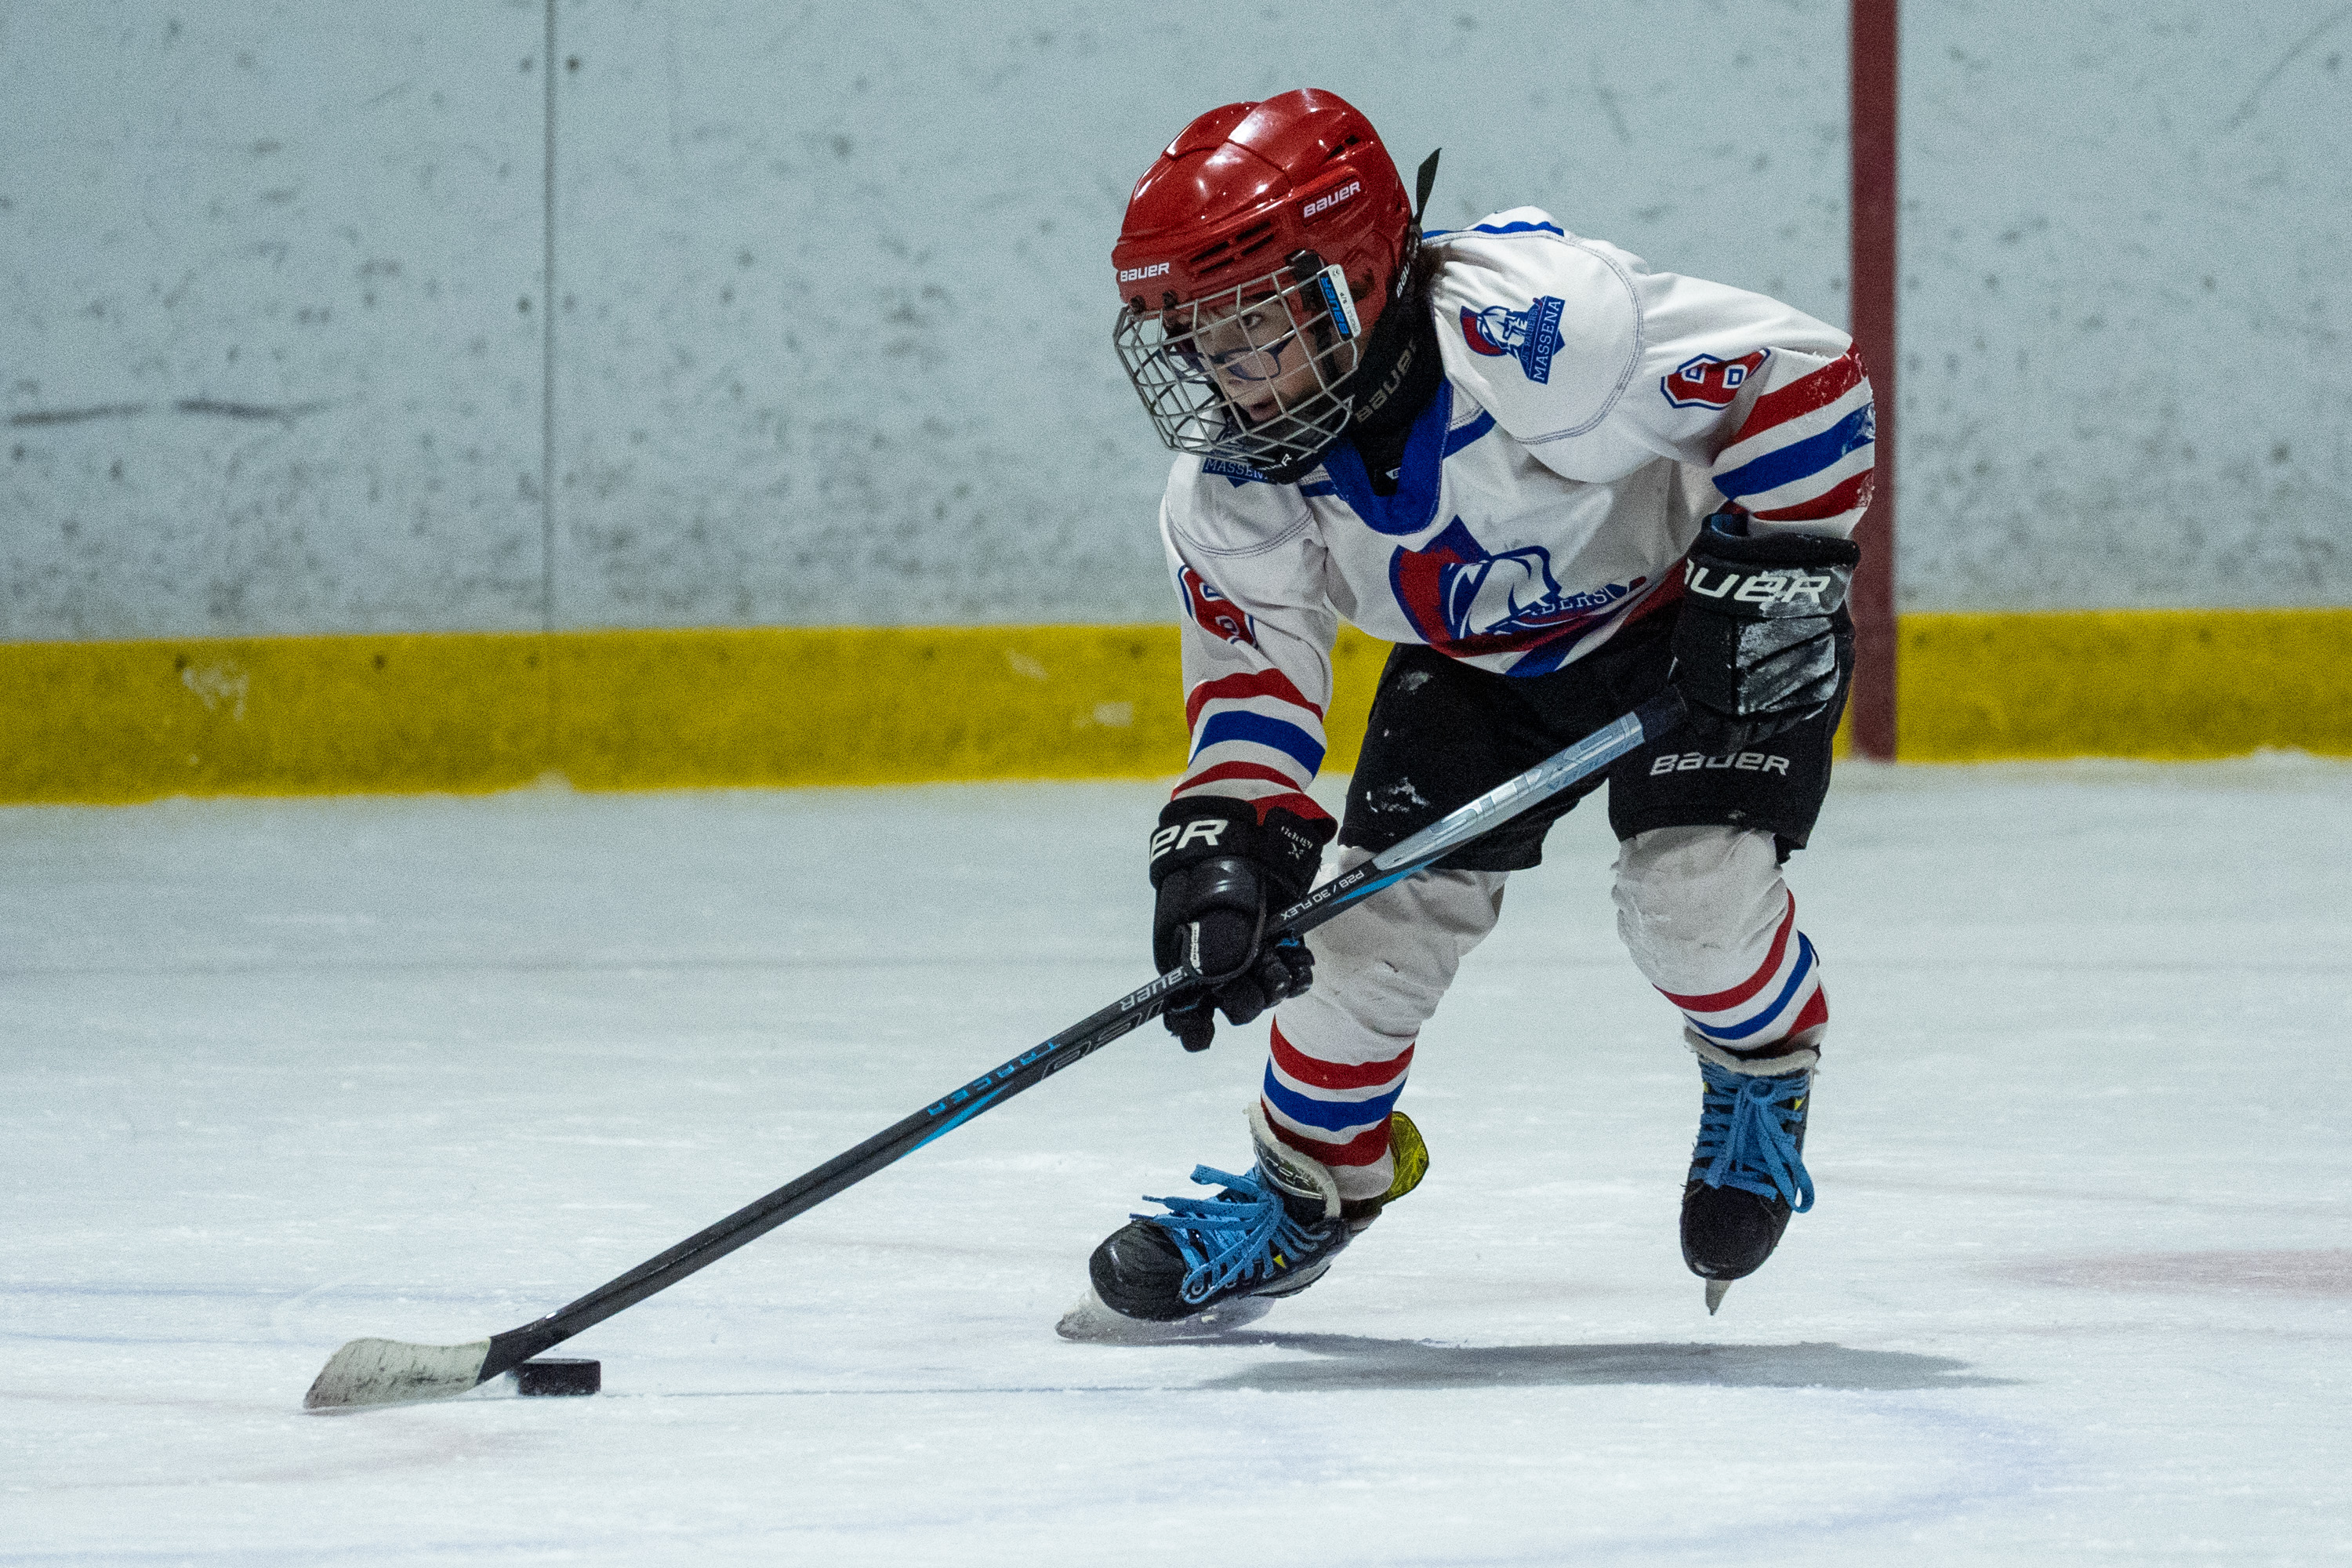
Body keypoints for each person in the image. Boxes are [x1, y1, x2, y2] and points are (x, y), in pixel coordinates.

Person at [1058, 88, 1873, 1339]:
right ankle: (1315, 1191)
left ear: (1358, 276)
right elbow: (1254, 692)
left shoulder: (1541, 328)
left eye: (1255, 324)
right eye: (1201, 337)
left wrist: (1775, 576)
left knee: (1696, 903)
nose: (1230, 372)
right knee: (1353, 944)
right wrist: (1225, 861)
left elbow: (1803, 378)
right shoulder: (1231, 488)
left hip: (1689, 621)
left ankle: (1764, 1064)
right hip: (1482, 665)